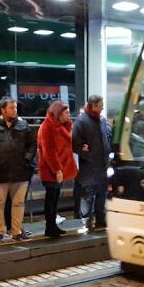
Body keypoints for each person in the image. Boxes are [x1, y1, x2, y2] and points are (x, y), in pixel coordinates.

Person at [0, 97, 36, 242]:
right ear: (2, 110)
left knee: (18, 203)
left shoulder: (23, 125)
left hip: (20, 172)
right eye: (11, 108)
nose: (14, 110)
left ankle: (16, 231)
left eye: (15, 107)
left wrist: (26, 159)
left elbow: (32, 144)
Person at [38, 101, 78, 238]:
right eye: (66, 112)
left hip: (59, 169)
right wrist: (57, 170)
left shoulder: (61, 126)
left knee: (54, 199)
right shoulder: (48, 127)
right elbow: (49, 151)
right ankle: (49, 227)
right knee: (51, 199)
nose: (69, 115)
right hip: (51, 170)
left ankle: (53, 225)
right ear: (58, 113)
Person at [72, 95, 111, 232]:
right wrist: (87, 153)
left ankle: (100, 219)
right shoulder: (81, 121)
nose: (103, 108)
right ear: (93, 106)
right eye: (101, 105)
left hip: (102, 164)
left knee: (101, 194)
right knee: (88, 196)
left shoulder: (101, 119)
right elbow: (75, 143)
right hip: (89, 167)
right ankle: (87, 222)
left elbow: (106, 138)